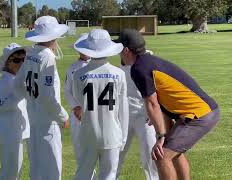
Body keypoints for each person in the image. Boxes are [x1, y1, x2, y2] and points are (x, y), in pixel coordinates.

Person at [117, 29, 220, 180]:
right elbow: (160, 102)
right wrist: (165, 133)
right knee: (175, 153)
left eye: (119, 50)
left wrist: (160, 136)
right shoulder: (148, 62)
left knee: (161, 156)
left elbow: (152, 103)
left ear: (126, 50)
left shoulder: (139, 69)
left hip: (198, 115)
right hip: (202, 112)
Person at [14, 16, 69, 180]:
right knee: (52, 167)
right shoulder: (47, 56)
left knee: (36, 165)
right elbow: (47, 95)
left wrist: (31, 99)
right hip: (48, 120)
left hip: (32, 116)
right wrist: (63, 116)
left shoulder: (30, 53)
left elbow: (18, 83)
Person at [72, 29, 129, 180]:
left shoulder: (78, 74)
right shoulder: (119, 74)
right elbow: (123, 110)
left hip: (88, 133)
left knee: (83, 174)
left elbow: (79, 101)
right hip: (112, 134)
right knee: (109, 176)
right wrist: (123, 137)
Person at [116, 50, 159, 180]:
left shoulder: (146, 60)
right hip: (124, 115)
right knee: (117, 153)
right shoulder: (119, 69)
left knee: (149, 153)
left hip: (144, 115)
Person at [0, 43, 30, 180]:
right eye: (16, 60)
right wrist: (22, 92)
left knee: (17, 167)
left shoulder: (18, 79)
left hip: (19, 130)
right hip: (9, 132)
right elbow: (1, 105)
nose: (21, 63)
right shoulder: (4, 82)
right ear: (7, 62)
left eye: (24, 59)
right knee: (11, 169)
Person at [64, 34, 96, 180]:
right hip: (78, 114)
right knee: (80, 148)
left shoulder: (99, 66)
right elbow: (67, 90)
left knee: (97, 148)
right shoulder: (72, 68)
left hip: (97, 113)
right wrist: (75, 107)